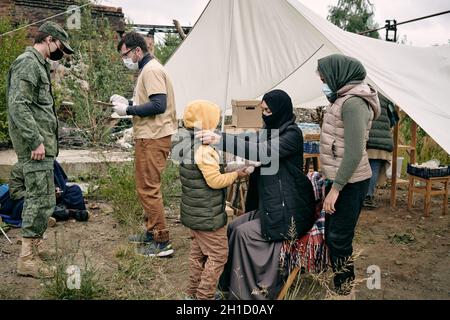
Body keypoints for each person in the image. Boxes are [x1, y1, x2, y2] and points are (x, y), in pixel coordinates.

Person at [197, 89, 316, 300]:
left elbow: (263, 151)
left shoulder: (292, 134)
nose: (264, 114)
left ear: (280, 110)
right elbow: (253, 145)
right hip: (274, 204)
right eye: (263, 110)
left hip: (290, 209)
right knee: (233, 227)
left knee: (244, 234)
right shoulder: (270, 131)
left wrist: (220, 140)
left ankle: (247, 295)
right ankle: (227, 287)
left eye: (268, 110)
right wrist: (243, 163)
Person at [7, 21, 74, 278]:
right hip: (34, 146)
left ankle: (35, 248)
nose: (61, 52)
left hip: (42, 146)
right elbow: (18, 106)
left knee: (46, 198)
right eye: (60, 46)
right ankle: (27, 259)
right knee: (36, 199)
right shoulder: (27, 63)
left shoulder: (39, 64)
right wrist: (35, 140)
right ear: (49, 40)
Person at [317, 54, 381, 295]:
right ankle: (340, 284)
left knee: (339, 239)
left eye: (324, 77)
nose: (322, 81)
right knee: (334, 237)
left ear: (338, 74)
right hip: (340, 179)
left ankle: (344, 291)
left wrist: (336, 188)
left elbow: (354, 153)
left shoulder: (353, 103)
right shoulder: (342, 98)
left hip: (350, 182)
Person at [111, 32, 177, 257]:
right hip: (149, 135)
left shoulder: (151, 70)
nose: (124, 59)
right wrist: (128, 103)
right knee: (144, 186)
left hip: (154, 136)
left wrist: (128, 110)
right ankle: (151, 232)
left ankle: (161, 241)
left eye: (125, 54)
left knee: (149, 188)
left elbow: (159, 104)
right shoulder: (147, 71)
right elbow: (149, 101)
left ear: (137, 51)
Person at [178, 100, 247, 300]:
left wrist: (225, 168)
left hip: (194, 210)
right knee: (218, 255)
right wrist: (237, 174)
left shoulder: (186, 142)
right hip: (207, 214)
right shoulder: (204, 149)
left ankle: (191, 294)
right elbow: (215, 181)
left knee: (197, 254)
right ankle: (204, 297)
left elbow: (199, 175)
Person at [363, 94, 395, 209]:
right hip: (382, 140)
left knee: (361, 169)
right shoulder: (386, 96)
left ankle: (362, 196)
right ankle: (368, 197)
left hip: (366, 138)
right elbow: (394, 119)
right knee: (374, 168)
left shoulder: (365, 92)